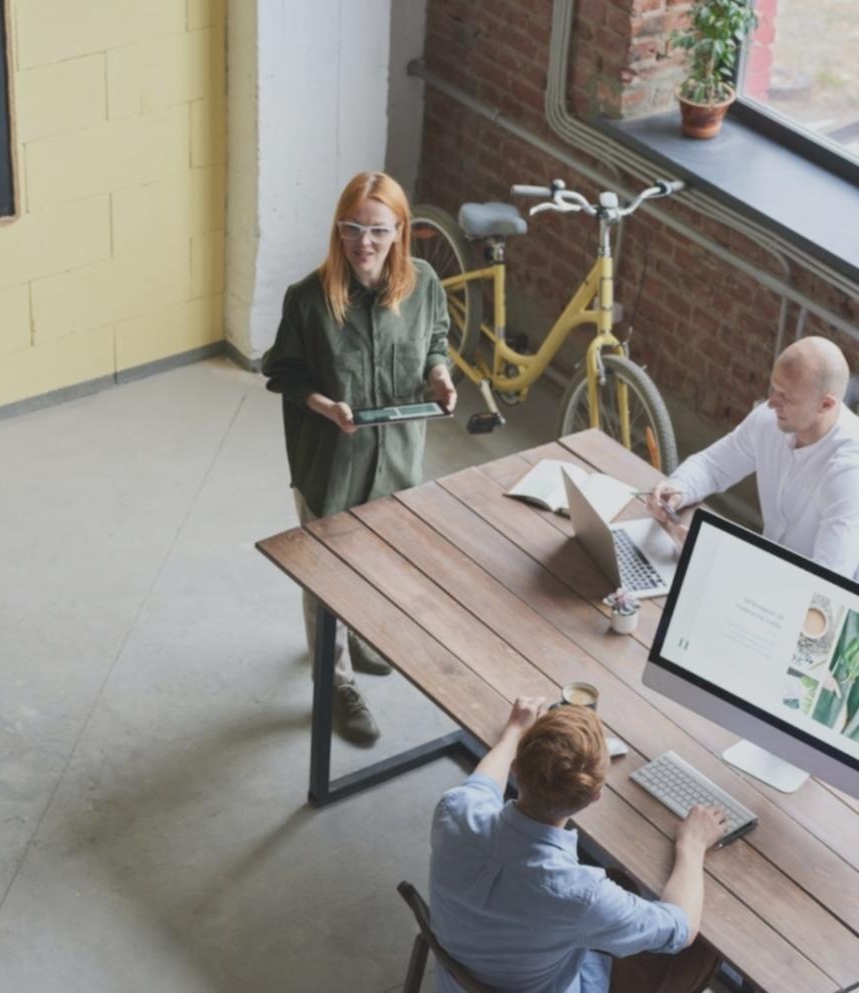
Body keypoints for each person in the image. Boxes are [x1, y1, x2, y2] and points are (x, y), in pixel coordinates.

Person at [260, 172, 456, 743]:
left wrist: (440, 376)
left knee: (377, 562)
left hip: (396, 460)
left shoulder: (424, 285)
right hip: (331, 463)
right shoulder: (308, 299)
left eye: (376, 230)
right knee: (326, 577)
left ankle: (365, 635)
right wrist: (324, 407)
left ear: (400, 231)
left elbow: (437, 341)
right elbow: (283, 372)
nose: (363, 243)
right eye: (351, 229)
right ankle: (336, 680)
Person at [429, 700, 725, 993]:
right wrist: (693, 845)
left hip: (458, 981)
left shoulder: (454, 811)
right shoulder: (580, 895)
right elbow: (681, 929)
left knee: (619, 887)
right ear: (595, 797)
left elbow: (482, 784)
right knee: (700, 952)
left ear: (515, 768)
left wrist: (514, 731)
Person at [647, 336, 859, 577]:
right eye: (774, 388)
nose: (771, 403)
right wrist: (677, 489)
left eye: (786, 397)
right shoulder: (772, 420)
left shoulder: (849, 471)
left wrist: (719, 557)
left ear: (826, 405)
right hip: (765, 576)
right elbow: (712, 465)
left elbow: (827, 582)